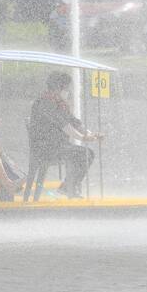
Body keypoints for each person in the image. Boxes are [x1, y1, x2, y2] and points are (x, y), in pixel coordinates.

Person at [27, 71, 102, 200]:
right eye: (66, 88)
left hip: (59, 145)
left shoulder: (59, 103)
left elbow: (74, 122)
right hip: (45, 148)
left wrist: (92, 134)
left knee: (88, 153)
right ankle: (68, 188)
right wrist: (82, 138)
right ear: (58, 88)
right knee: (83, 154)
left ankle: (68, 187)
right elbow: (64, 125)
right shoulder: (44, 103)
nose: (68, 91)